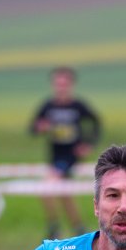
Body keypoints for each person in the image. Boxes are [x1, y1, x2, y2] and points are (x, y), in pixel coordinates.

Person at [29, 66, 101, 239]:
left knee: (46, 188)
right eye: (58, 84)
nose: (61, 88)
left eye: (64, 84)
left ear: (71, 85)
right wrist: (40, 127)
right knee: (65, 194)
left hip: (71, 157)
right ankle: (79, 229)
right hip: (54, 155)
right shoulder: (48, 106)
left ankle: (54, 228)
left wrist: (88, 144)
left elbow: (96, 123)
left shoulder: (78, 106)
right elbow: (33, 128)